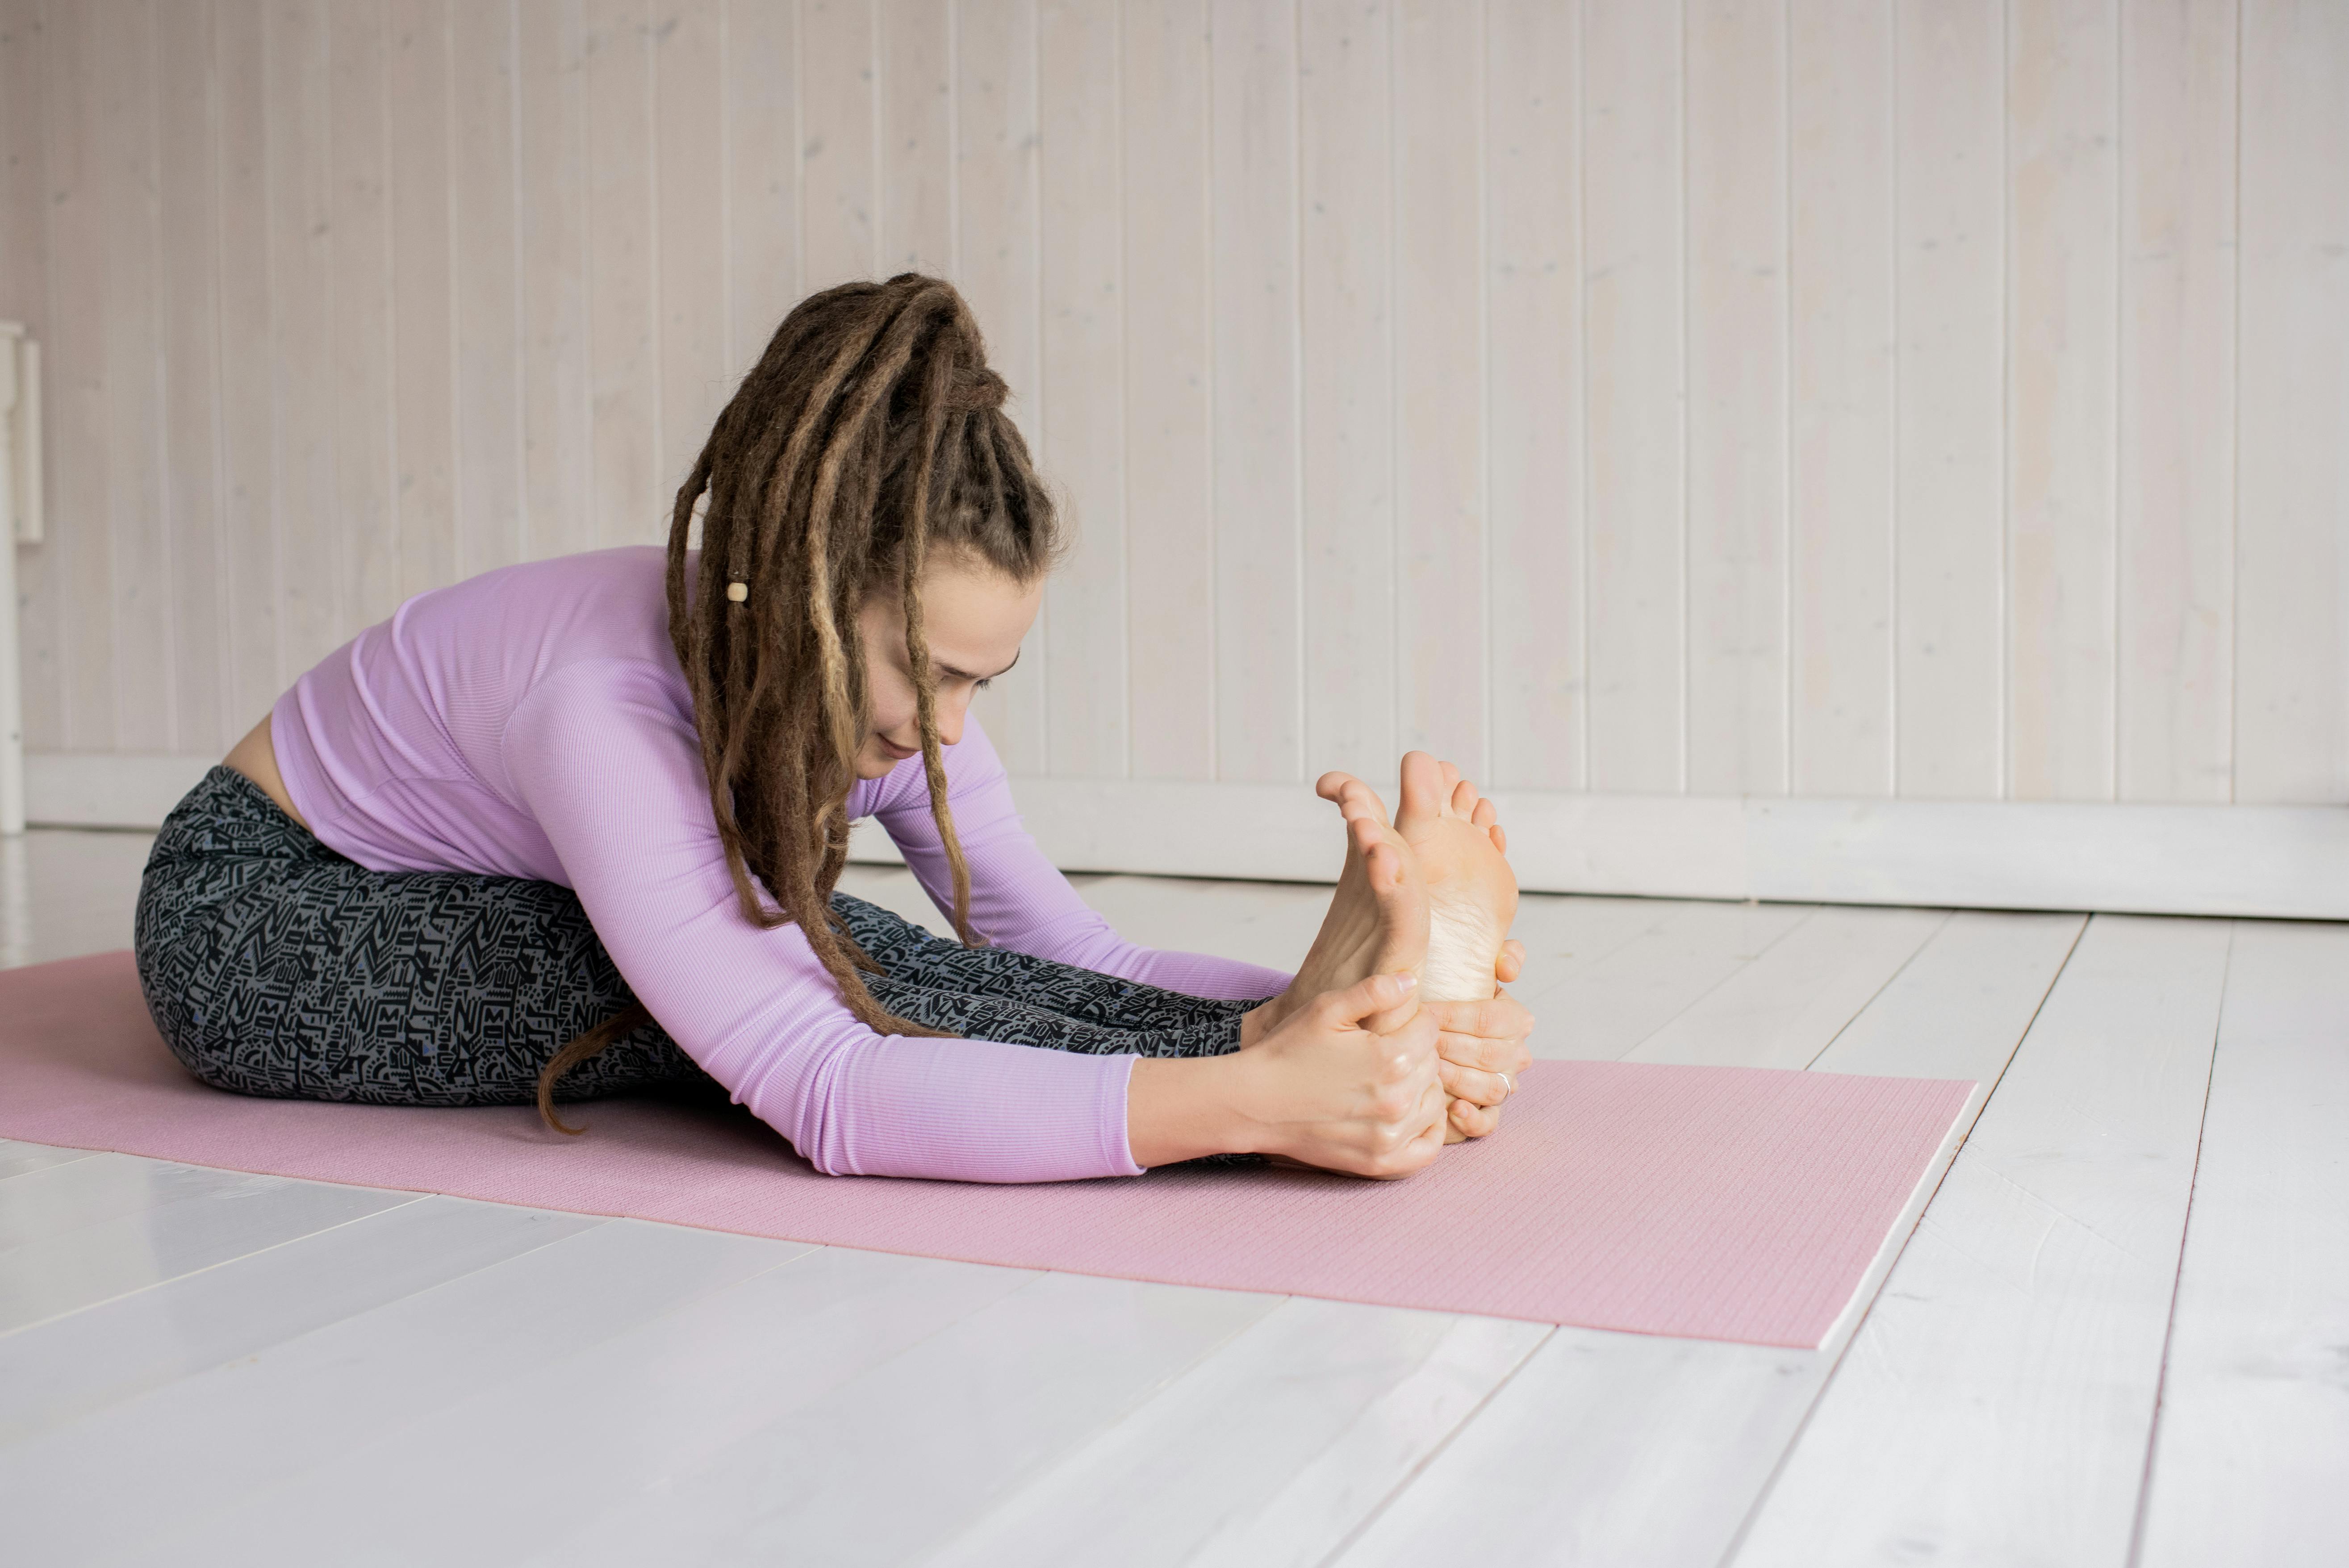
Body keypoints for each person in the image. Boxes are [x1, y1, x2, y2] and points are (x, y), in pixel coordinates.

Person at [131, 274, 1533, 1184]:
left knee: (833, 946)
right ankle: (1268, 1051)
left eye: (984, 682)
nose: (943, 728)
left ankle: (1290, 1018)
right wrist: (1255, 1109)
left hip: (442, 885)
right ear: (801, 597)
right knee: (808, 964)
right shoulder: (602, 712)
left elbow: (1068, 950)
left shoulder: (904, 709)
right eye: (923, 670)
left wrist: (1309, 1018)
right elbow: (826, 1087)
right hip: (265, 921)